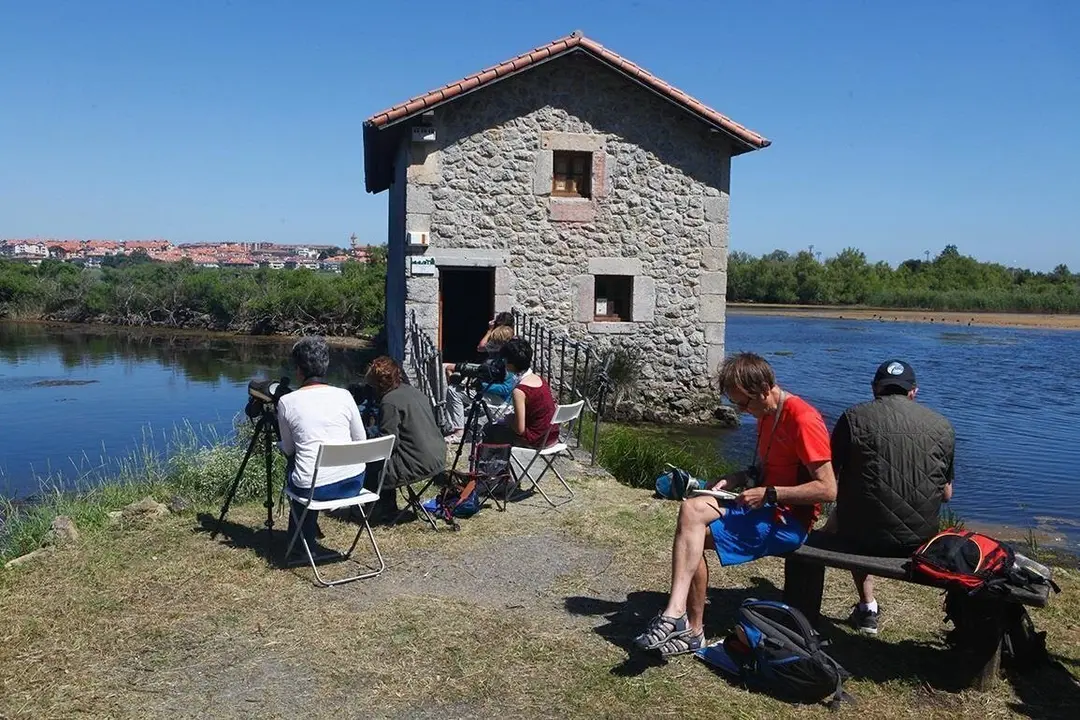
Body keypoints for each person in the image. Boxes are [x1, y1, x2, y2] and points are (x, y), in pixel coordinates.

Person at [633, 352, 837, 657]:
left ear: (766, 388)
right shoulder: (766, 413)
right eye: (736, 404)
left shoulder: (803, 418)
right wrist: (738, 476)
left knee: (692, 534)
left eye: (744, 403)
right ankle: (677, 614)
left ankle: (690, 628)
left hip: (788, 522)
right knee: (692, 508)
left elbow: (828, 489)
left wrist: (770, 494)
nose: (742, 411)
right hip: (763, 510)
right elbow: (766, 468)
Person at [787, 359, 956, 634]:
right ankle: (867, 609)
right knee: (865, 511)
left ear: (875, 389)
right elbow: (946, 494)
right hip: (921, 542)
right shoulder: (943, 426)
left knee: (858, 512)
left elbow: (830, 480)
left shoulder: (853, 418)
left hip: (862, 538)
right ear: (914, 391)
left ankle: (867, 607)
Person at [276, 336, 366, 556]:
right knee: (310, 467)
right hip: (353, 482)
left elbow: (288, 449)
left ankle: (301, 543)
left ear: (298, 370)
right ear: (325, 366)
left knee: (295, 466)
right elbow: (361, 441)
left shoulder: (287, 402)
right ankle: (303, 537)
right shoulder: (344, 395)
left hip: (314, 489)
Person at [365, 355, 447, 520]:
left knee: (371, 464)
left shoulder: (389, 401)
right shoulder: (414, 392)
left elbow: (388, 444)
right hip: (438, 456)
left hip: (419, 462)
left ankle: (380, 510)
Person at [484, 338, 558, 448]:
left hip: (536, 439)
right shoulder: (540, 379)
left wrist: (510, 420)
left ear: (510, 363)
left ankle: (496, 463)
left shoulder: (520, 391)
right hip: (552, 435)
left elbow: (520, 429)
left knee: (490, 430)